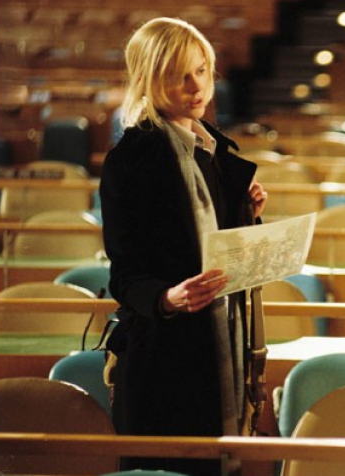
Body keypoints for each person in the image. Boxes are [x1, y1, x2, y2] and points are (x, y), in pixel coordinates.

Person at [100, 17, 267, 475]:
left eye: (202, 71)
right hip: (163, 355)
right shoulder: (129, 161)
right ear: (149, 80)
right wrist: (166, 297)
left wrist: (247, 214)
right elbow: (124, 275)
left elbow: (223, 253)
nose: (196, 86)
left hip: (221, 344)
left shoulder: (213, 152)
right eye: (179, 75)